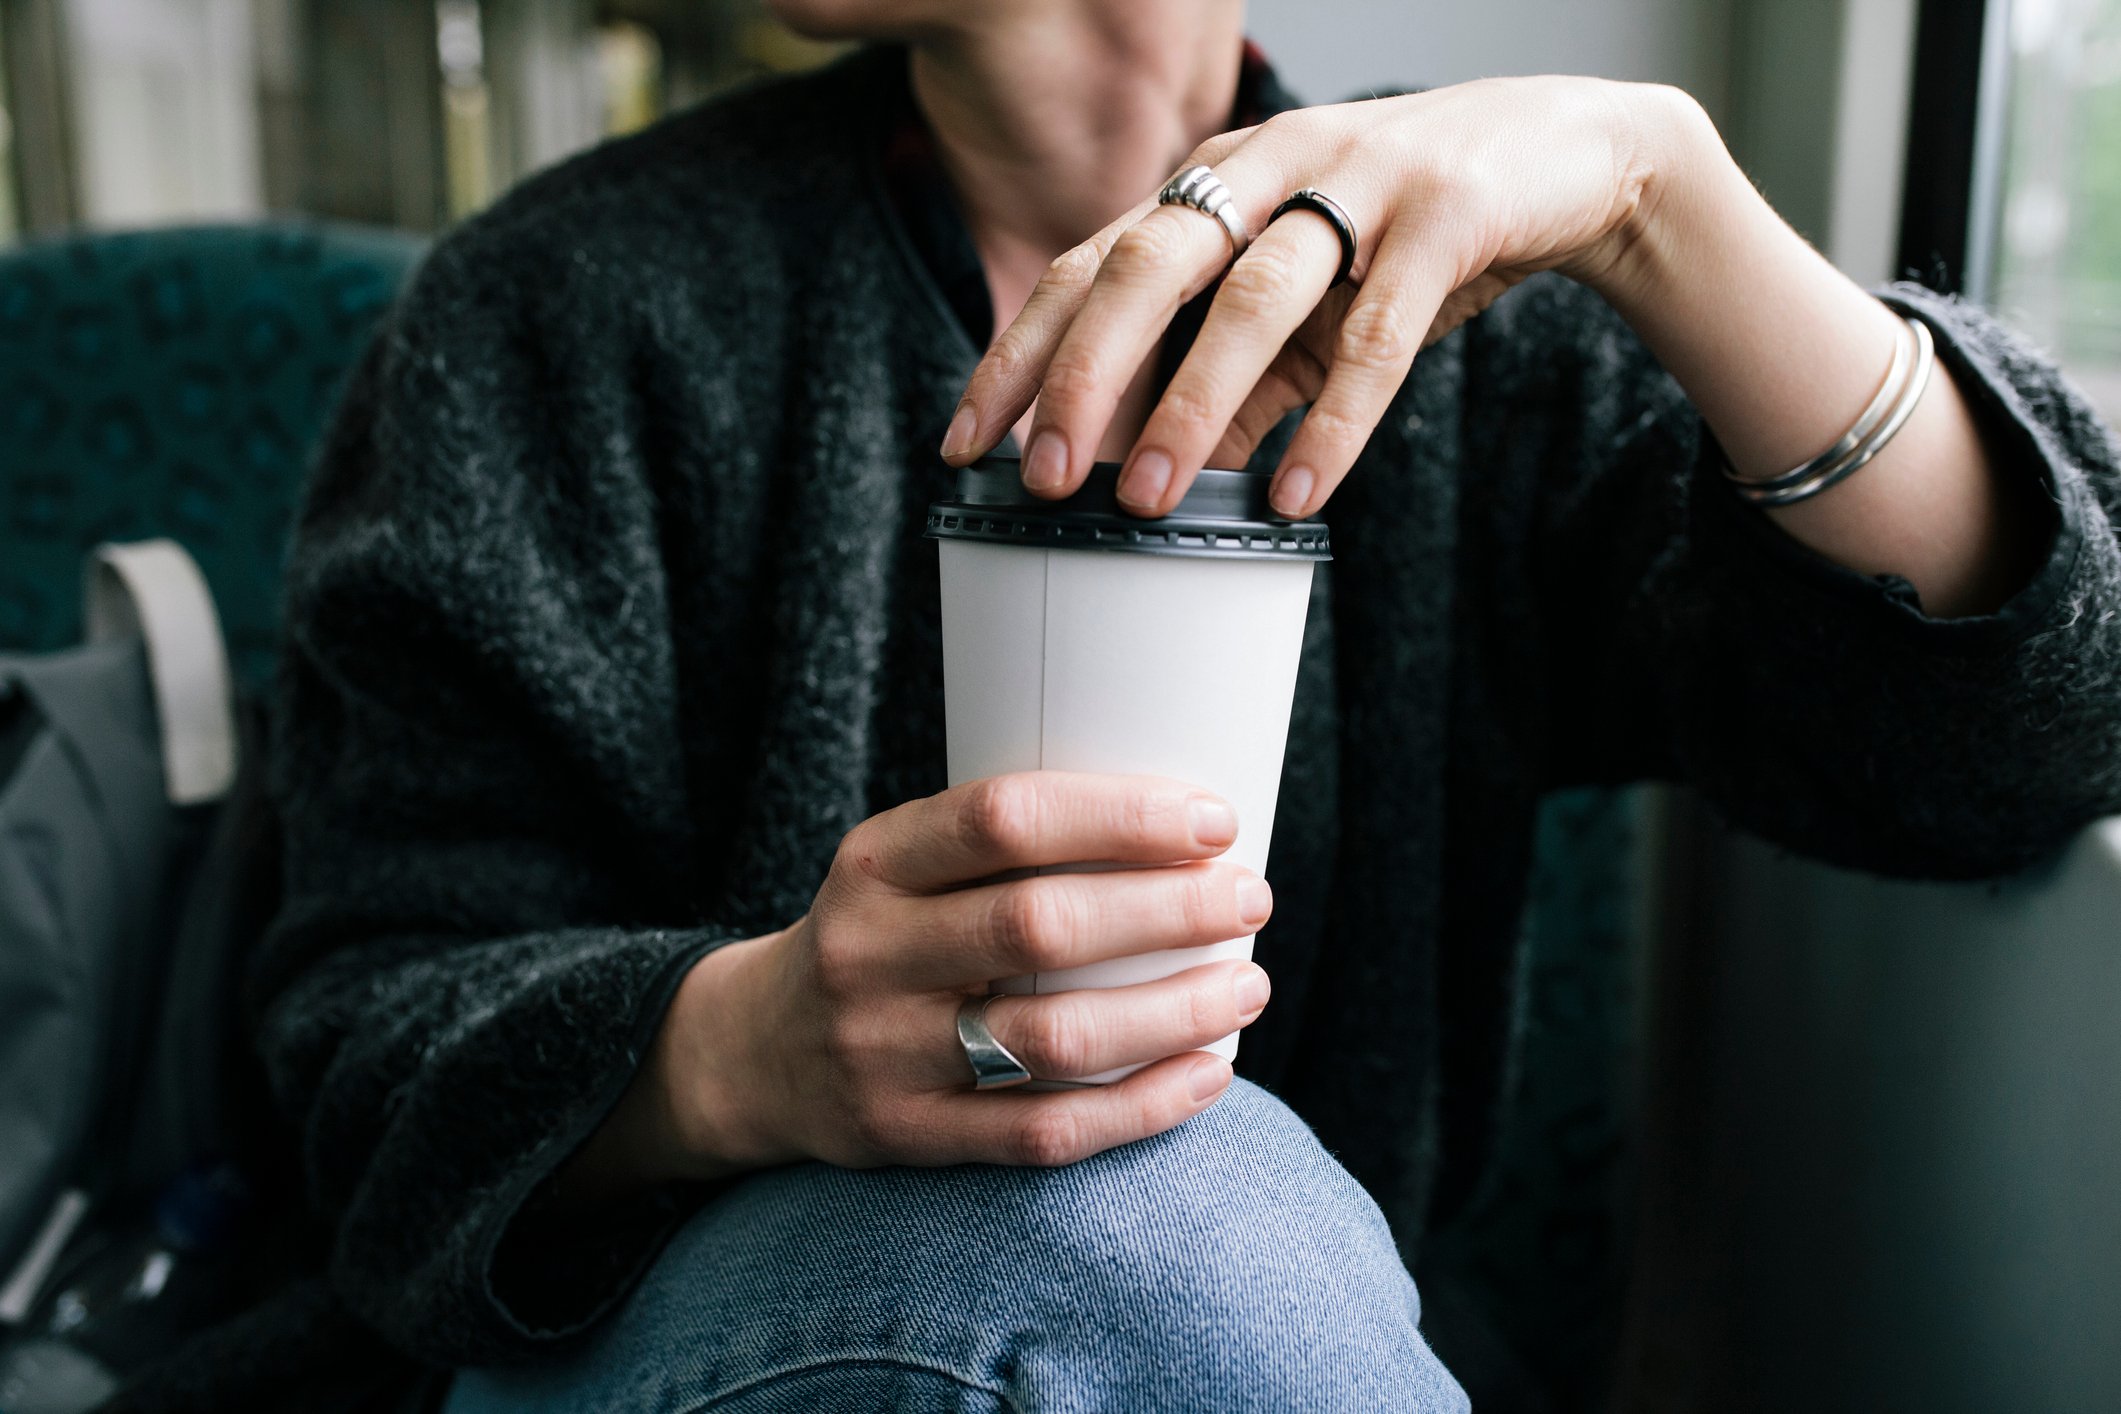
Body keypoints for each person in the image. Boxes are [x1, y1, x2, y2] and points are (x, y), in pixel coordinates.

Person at [120, 0, 2121, 1410]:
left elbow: (2029, 734)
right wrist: (743, 1048)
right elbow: (353, 1067)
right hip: (611, 1355)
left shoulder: (1476, 326)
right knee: (1132, 1210)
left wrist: (1657, 201)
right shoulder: (548, 315)